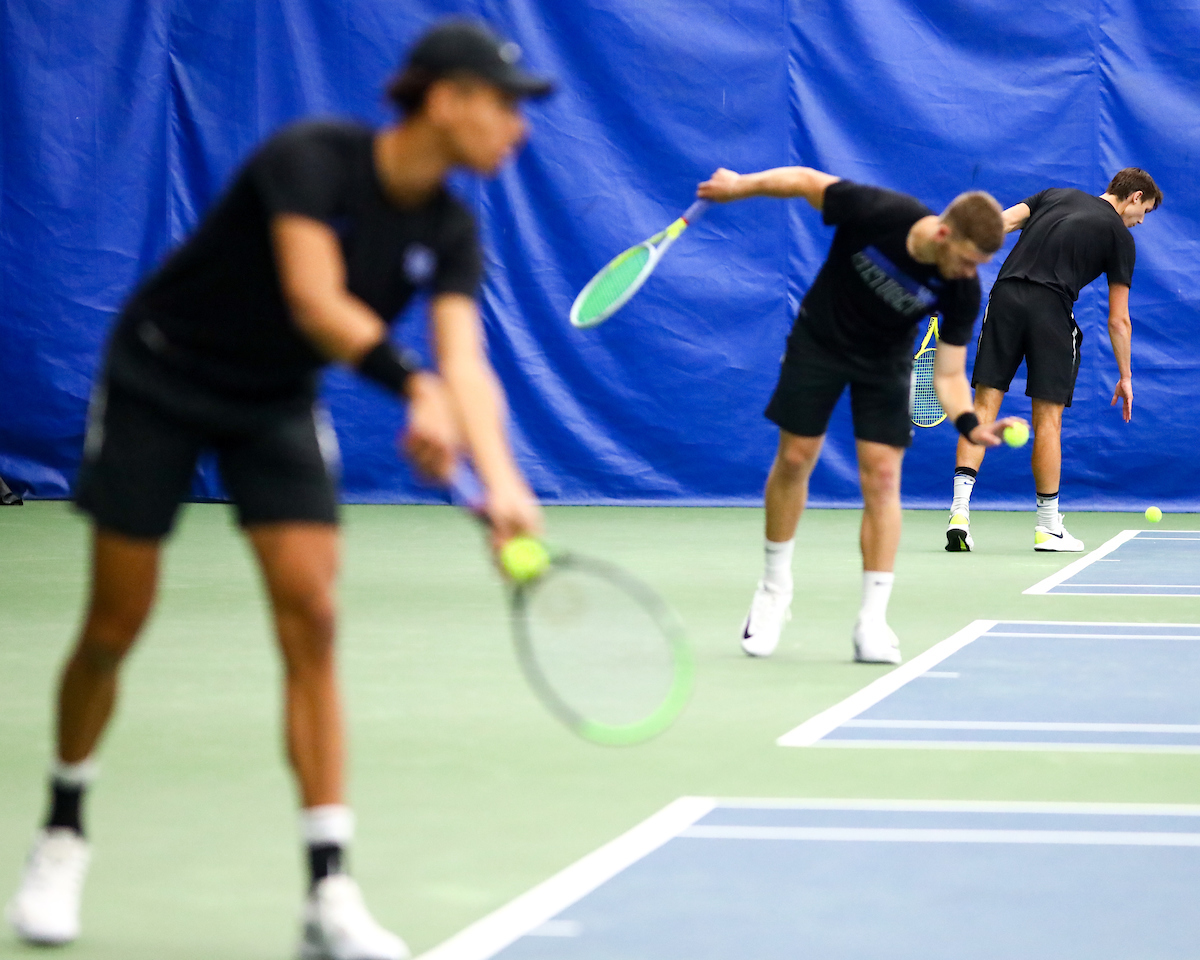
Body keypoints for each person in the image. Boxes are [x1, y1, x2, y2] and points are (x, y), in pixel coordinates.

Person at [5, 20, 551, 960]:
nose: (520, 131)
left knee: (313, 619)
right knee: (114, 623)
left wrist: (504, 486)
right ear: (449, 99)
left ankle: (328, 890)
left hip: (273, 404)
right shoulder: (311, 160)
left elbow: (466, 362)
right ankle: (62, 829)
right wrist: (410, 385)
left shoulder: (453, 230)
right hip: (159, 380)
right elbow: (314, 297)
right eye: (506, 107)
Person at [697, 167, 1024, 664]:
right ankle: (773, 587)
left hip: (885, 363)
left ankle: (872, 621)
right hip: (819, 342)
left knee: (883, 474)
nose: (969, 272)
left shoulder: (963, 289)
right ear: (942, 233)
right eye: (966, 260)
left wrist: (970, 425)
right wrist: (739, 186)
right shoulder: (880, 212)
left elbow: (951, 375)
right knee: (795, 457)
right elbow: (805, 181)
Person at [945, 169, 1162, 553]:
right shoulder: (1121, 238)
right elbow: (1119, 319)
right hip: (1051, 309)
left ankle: (959, 513)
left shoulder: (1054, 195)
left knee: (983, 406)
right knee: (1048, 419)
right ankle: (1047, 528)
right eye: (1143, 210)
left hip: (1006, 296)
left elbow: (1002, 222)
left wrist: (955, 250)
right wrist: (1126, 376)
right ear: (1134, 196)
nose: (1141, 220)